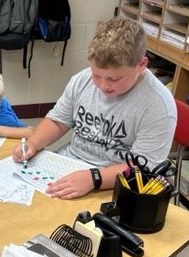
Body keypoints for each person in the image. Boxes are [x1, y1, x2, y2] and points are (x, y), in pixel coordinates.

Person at [12, 17, 177, 199]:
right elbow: (58, 122)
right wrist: (33, 144)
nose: (103, 85)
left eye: (114, 79)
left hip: (116, 182)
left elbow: (143, 168)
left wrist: (94, 178)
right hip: (70, 163)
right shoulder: (82, 80)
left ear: (141, 65)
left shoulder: (158, 105)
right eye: (96, 75)